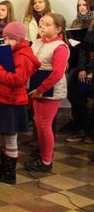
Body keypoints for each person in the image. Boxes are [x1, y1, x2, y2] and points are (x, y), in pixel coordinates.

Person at [0, 22, 40, 184]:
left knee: (10, 135)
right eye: (5, 38)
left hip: (13, 101)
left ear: (18, 39)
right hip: (5, 98)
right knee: (4, 133)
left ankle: (10, 172)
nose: (6, 41)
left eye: (10, 38)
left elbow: (17, 79)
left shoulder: (23, 56)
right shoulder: (14, 51)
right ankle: (3, 165)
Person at [24, 13, 70, 172]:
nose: (42, 26)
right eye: (42, 23)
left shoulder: (60, 47)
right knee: (38, 123)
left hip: (50, 90)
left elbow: (57, 73)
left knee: (44, 125)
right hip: (36, 87)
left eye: (48, 24)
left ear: (58, 29)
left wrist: (40, 89)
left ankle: (46, 161)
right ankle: (43, 151)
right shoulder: (37, 42)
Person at [65, 0, 94, 142]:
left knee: (82, 96)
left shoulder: (92, 23)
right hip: (77, 64)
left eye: (85, 5)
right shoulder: (76, 22)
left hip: (88, 67)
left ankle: (84, 128)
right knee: (74, 94)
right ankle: (79, 126)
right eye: (79, 5)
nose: (82, 8)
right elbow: (81, 48)